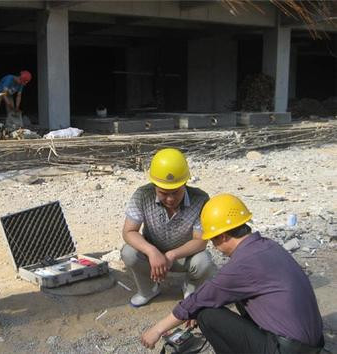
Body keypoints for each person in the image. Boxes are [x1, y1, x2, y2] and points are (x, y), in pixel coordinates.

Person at [141, 194, 325, 354]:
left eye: (213, 240)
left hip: (285, 349)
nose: (214, 246)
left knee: (206, 314)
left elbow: (198, 300)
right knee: (233, 296)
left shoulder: (243, 265)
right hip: (312, 344)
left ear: (222, 236)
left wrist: (157, 330)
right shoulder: (267, 246)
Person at [121, 148, 216, 307]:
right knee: (129, 252)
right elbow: (129, 231)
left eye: (176, 192)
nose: (170, 199)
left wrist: (172, 255)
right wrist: (152, 252)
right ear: (154, 185)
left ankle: (190, 286)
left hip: (183, 256)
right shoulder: (142, 195)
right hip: (153, 256)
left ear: (185, 183)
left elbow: (200, 241)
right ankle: (148, 289)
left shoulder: (201, 199)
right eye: (163, 193)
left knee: (204, 262)